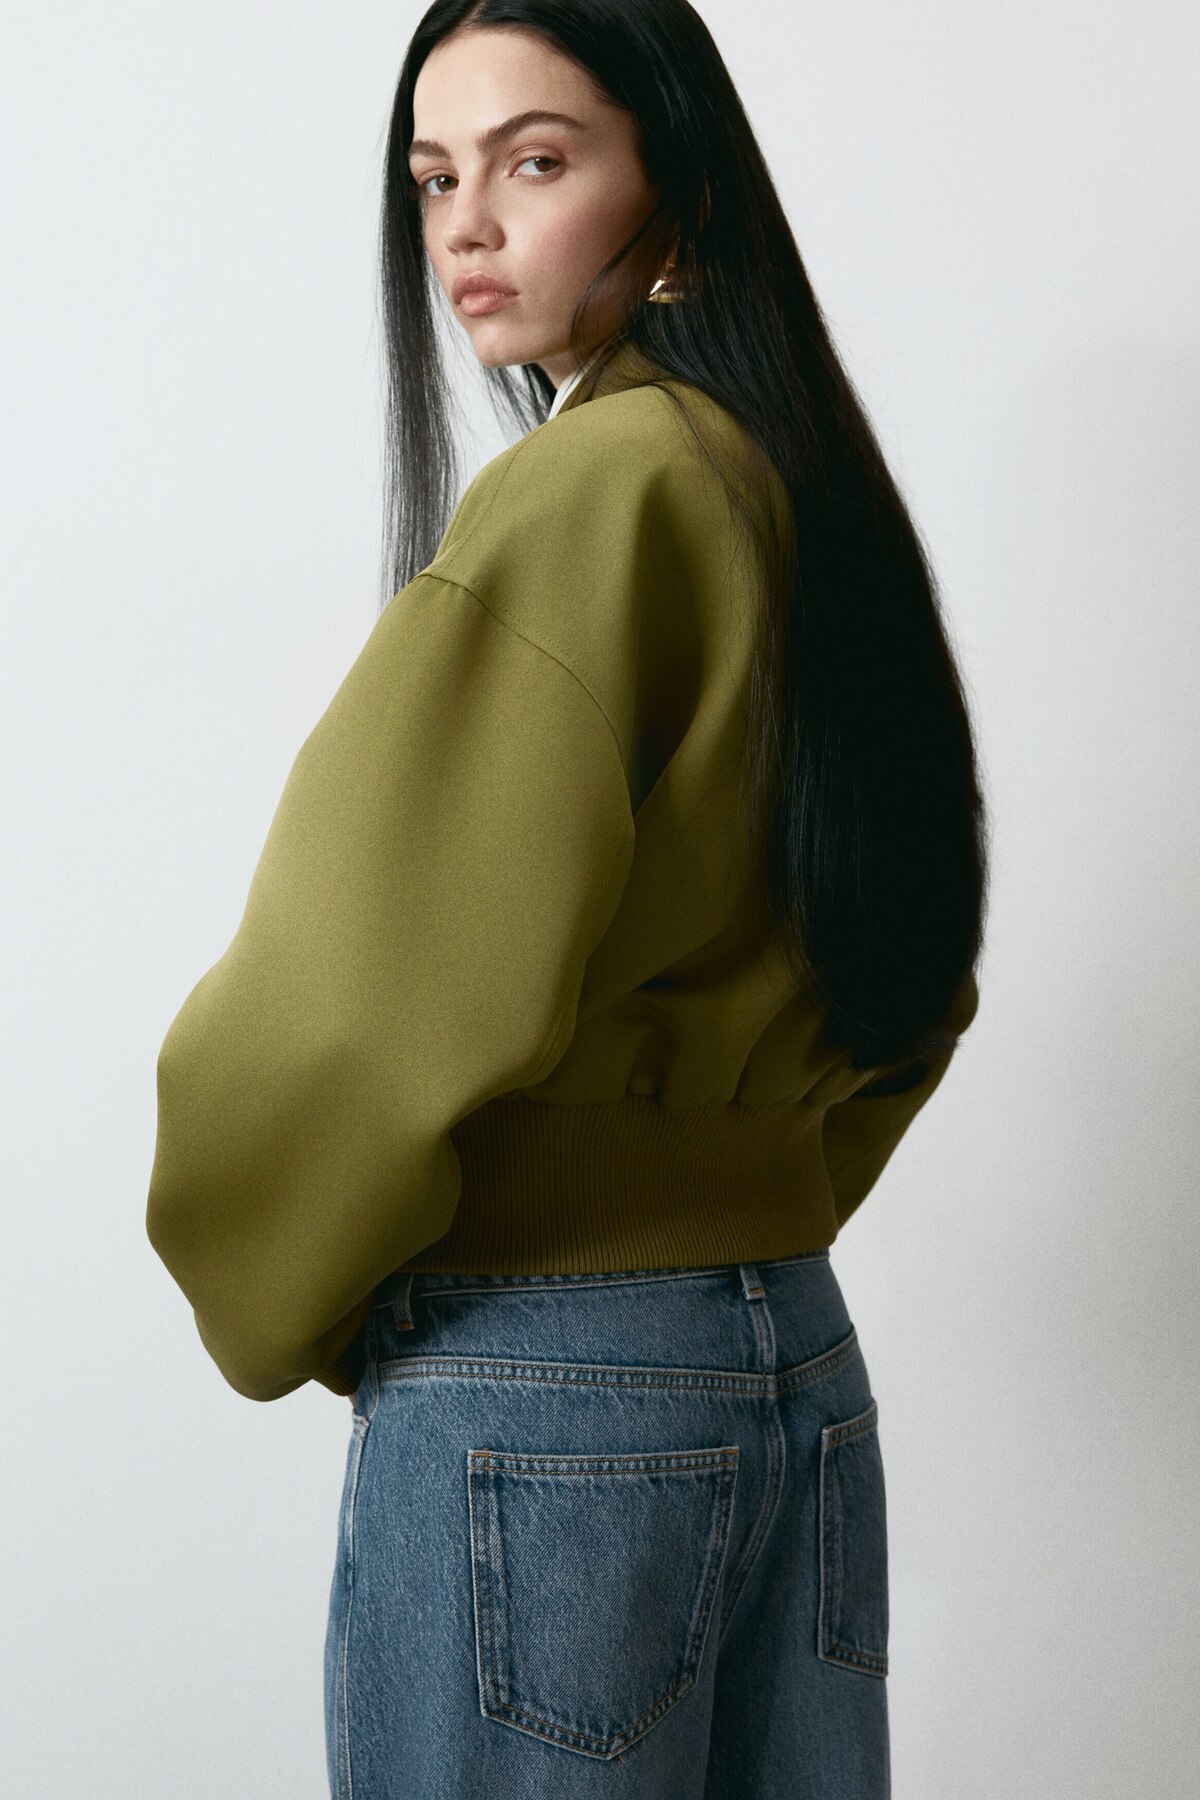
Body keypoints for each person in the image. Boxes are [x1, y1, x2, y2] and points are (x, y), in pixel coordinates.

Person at [145, 2, 989, 1795]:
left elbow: (345, 1011)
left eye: (534, 162)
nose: (465, 224)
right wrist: (738, 1190)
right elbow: (915, 940)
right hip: (798, 1365)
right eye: (433, 177)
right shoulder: (803, 484)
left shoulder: (592, 491)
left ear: (680, 192)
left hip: (545, 1380)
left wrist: (272, 1292)